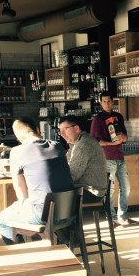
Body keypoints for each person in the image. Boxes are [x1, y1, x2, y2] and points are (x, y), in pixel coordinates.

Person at [0, 117, 74, 245]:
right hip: (69, 211)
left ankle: (24, 258)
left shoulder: (17, 151)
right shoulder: (57, 146)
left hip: (43, 216)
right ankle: (55, 244)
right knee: (36, 206)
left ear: (18, 136)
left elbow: (21, 192)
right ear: (38, 130)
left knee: (2, 220)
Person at [90, 91, 133, 225]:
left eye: (109, 101)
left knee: (126, 187)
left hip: (120, 156)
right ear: (100, 102)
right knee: (110, 189)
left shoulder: (118, 116)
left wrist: (123, 138)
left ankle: (123, 216)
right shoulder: (97, 119)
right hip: (107, 157)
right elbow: (95, 141)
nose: (107, 104)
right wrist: (110, 143)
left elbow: (125, 136)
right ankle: (112, 218)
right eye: (104, 101)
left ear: (113, 102)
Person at [58, 116, 108, 197]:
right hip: (88, 189)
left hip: (92, 192)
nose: (62, 134)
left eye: (65, 129)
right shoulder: (77, 142)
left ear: (76, 129)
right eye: (60, 131)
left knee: (54, 196)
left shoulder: (83, 145)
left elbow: (72, 176)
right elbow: (66, 166)